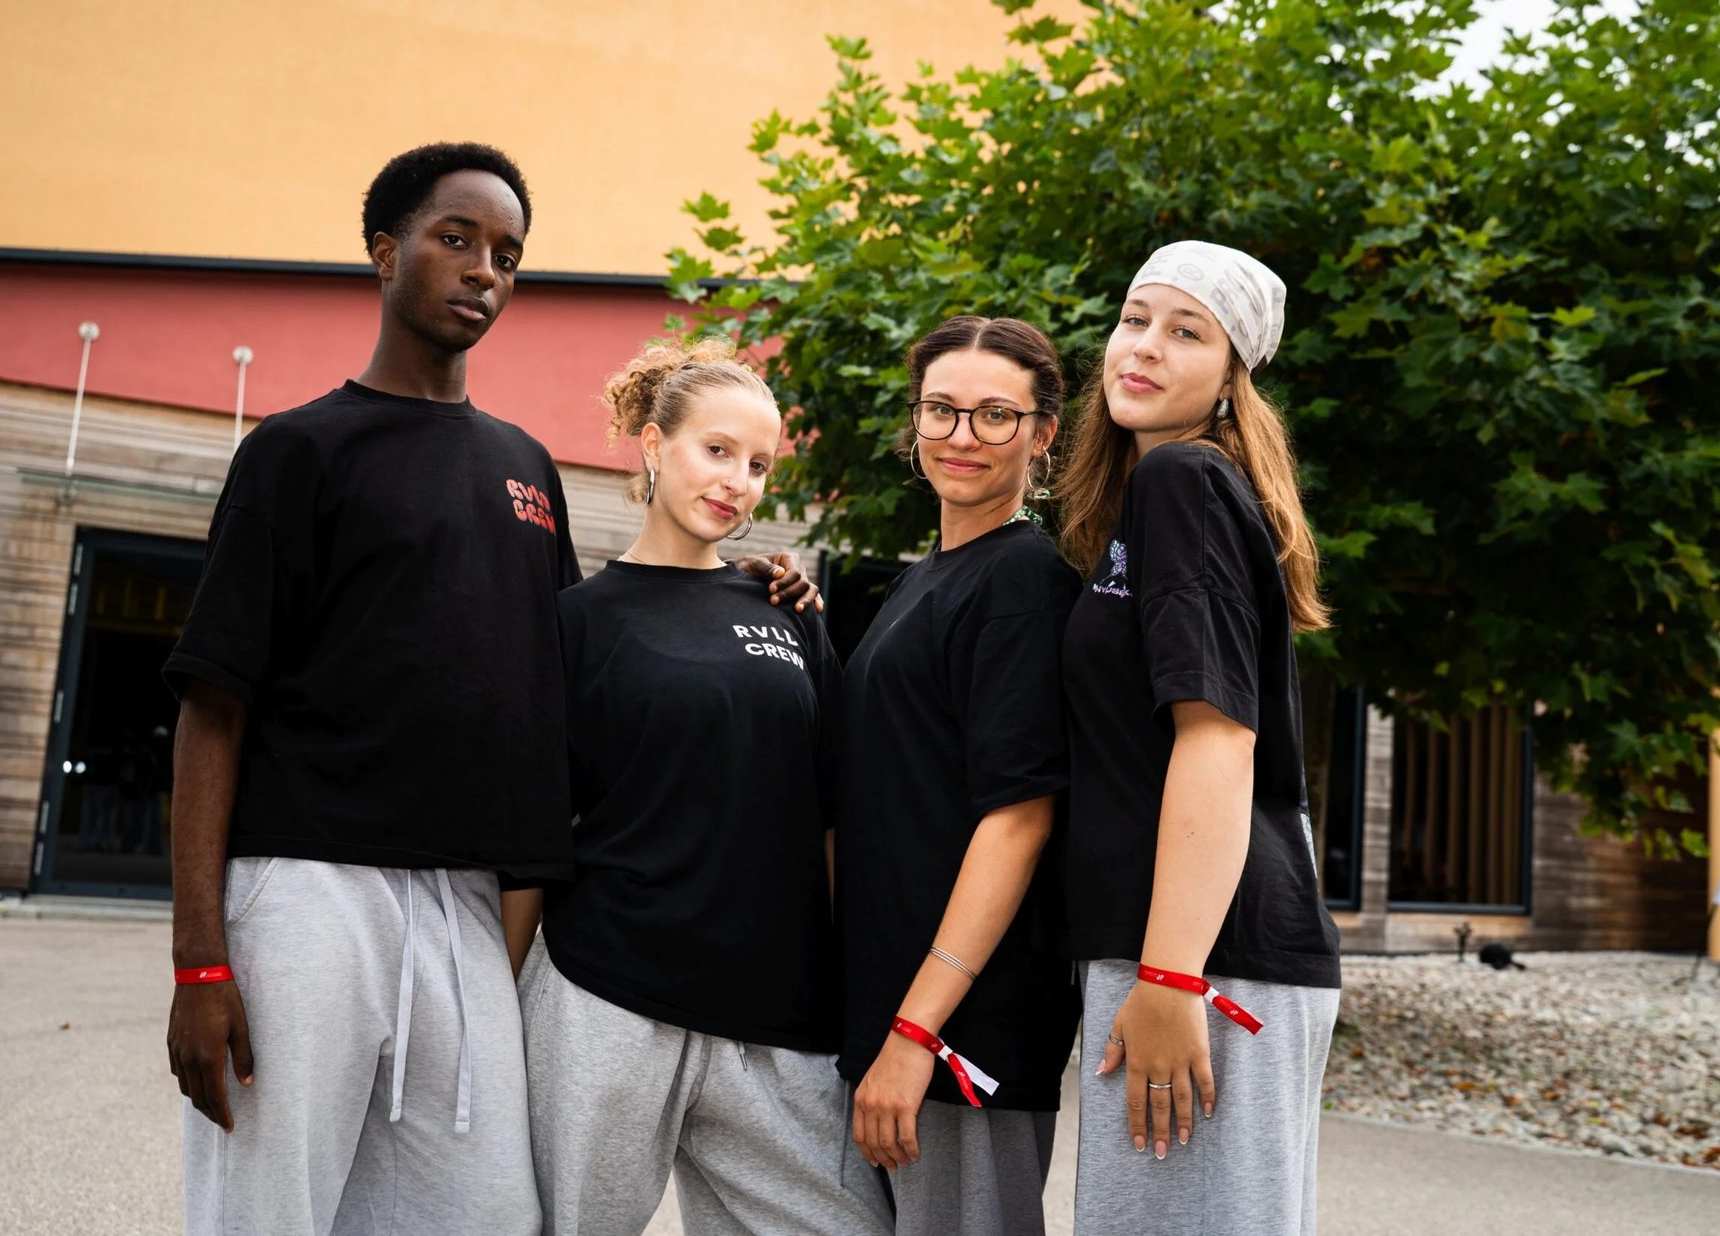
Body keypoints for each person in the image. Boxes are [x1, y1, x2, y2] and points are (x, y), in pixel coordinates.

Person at [161, 144, 816, 1235]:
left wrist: (737, 586)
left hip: (466, 907)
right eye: (455, 239)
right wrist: (199, 957)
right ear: (386, 252)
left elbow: (565, 671)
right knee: (267, 1209)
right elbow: (212, 705)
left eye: (506, 253)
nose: (483, 270)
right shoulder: (295, 450)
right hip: (309, 888)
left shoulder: (524, 467)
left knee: (486, 1214)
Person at [508, 340, 890, 1236]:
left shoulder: (787, 612)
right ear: (652, 444)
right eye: (717, 451)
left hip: (777, 1014)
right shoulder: (576, 622)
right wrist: (492, 1000)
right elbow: (531, 830)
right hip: (606, 995)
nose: (739, 481)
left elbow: (834, 818)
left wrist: (857, 995)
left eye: (759, 465)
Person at [1056, 241, 1341, 1236]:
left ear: (1232, 376)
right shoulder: (1147, 502)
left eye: (1187, 332)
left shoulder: (1185, 481)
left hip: (1202, 956)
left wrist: (1170, 975)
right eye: (1136, 318)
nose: (1145, 347)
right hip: (1174, 946)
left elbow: (1220, 739)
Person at [837, 317, 1080, 1235]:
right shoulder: (929, 576)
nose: (962, 437)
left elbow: (1018, 821)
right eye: (942, 410)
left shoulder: (1022, 581)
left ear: (1044, 433)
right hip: (895, 1011)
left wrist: (917, 1035)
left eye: (993, 415)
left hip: (960, 1035)